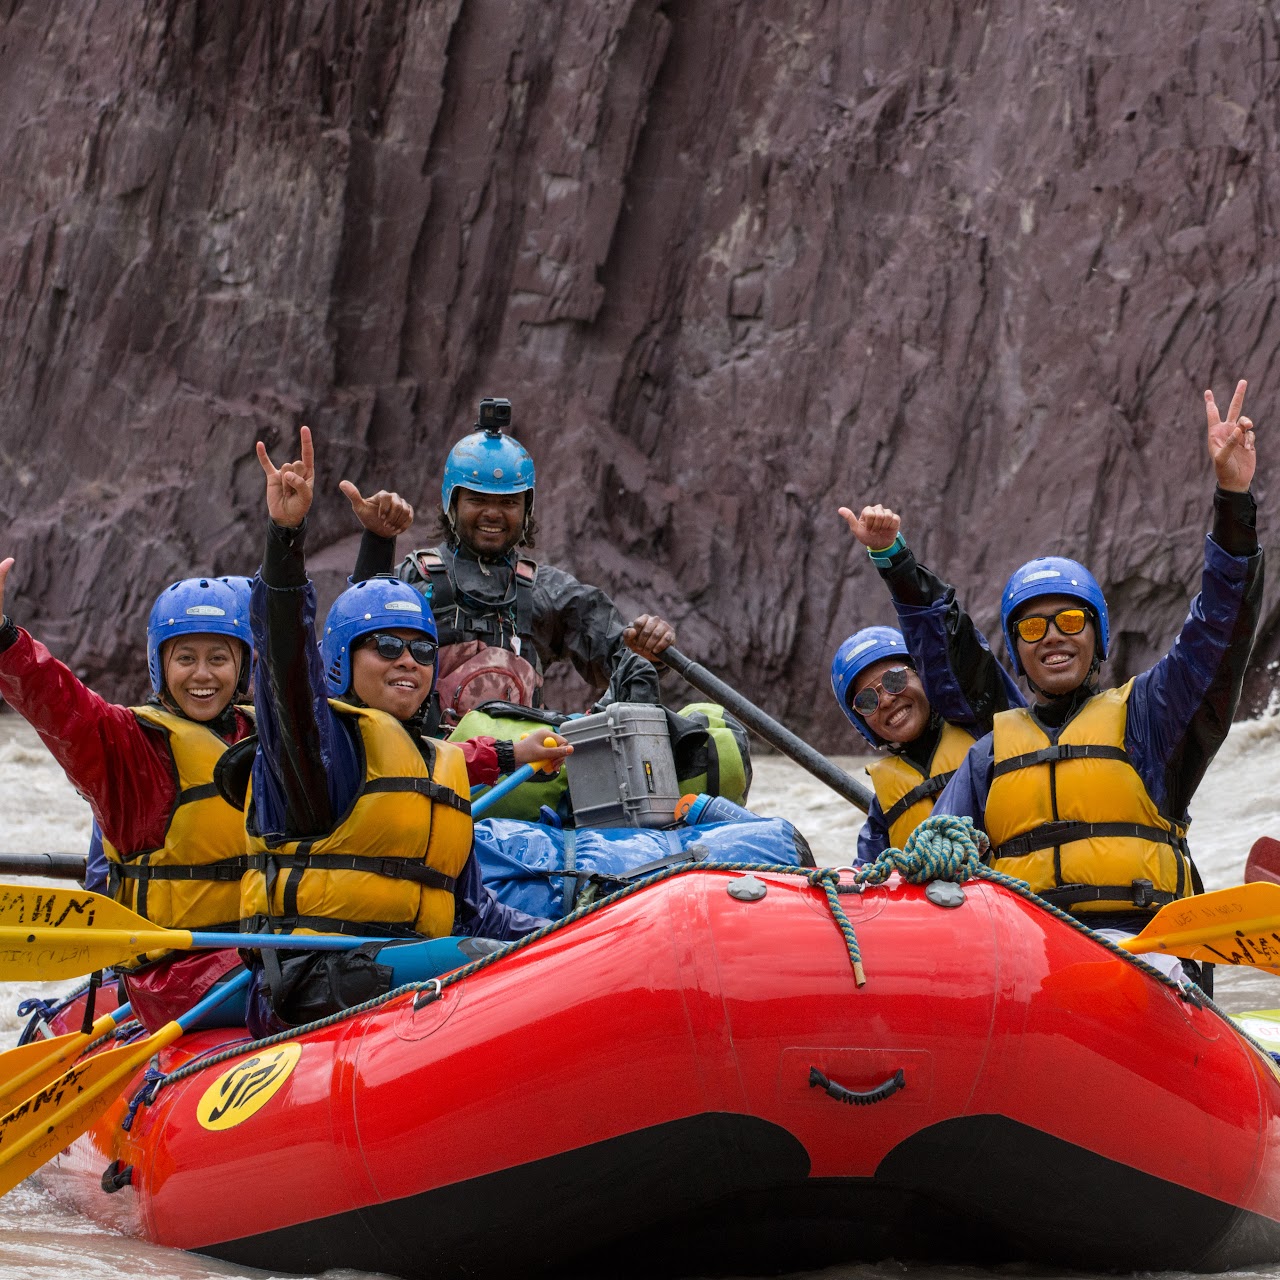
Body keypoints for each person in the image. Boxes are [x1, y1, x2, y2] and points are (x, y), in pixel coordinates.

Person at [246, 425, 571, 1028]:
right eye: (387, 647)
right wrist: (284, 538)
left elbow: (480, 913)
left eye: (423, 651)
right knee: (486, 962)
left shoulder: (435, 762)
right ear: (342, 663)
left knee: (530, 950)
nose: (408, 662)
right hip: (315, 984)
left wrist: (577, 933)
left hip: (406, 979)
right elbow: (284, 660)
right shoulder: (317, 748)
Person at [934, 379, 1263, 939]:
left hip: (1141, 948)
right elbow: (939, 850)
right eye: (1033, 628)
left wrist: (1232, 502)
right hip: (1030, 955)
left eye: (1070, 621)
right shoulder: (987, 759)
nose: (1052, 638)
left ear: (1097, 638)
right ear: (1017, 651)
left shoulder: (1151, 718)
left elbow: (1218, 634)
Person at [0, 565, 254, 1029]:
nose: (203, 674)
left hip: (261, 955)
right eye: (185, 658)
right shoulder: (129, 747)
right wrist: (4, 640)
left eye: (218, 658)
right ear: (160, 664)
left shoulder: (263, 735)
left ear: (242, 666)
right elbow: (60, 706)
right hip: (179, 978)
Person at [360, 397, 660, 725]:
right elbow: (358, 638)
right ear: (452, 503)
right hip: (430, 761)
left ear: (526, 510)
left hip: (526, 769)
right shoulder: (414, 581)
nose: (493, 513)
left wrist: (647, 651)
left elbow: (623, 659)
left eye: (508, 502)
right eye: (477, 499)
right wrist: (377, 540)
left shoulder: (551, 592)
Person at [829, 504, 1026, 860]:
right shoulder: (882, 814)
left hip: (1014, 903)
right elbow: (865, 884)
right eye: (867, 702)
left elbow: (945, 637)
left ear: (923, 674)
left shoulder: (989, 724)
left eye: (893, 679)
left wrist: (893, 560)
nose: (886, 700)